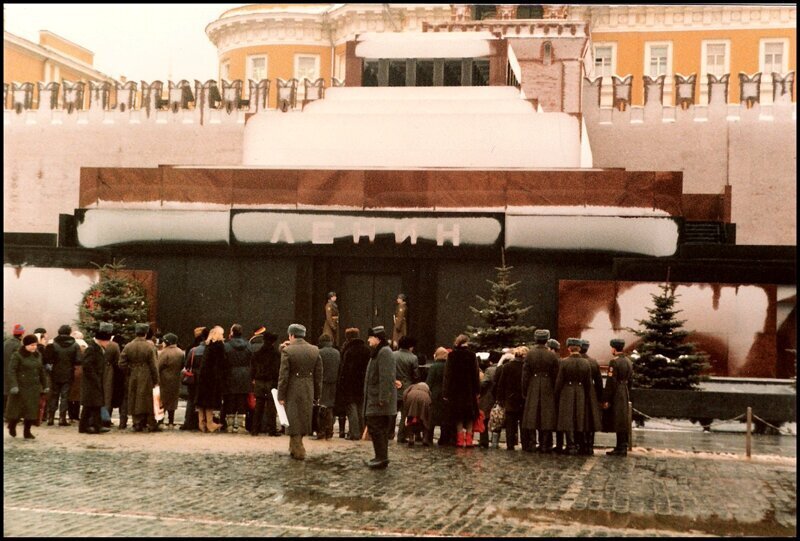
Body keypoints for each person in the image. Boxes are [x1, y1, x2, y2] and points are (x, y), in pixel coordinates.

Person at [277, 324, 323, 460]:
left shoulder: (288, 351)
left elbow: (283, 375)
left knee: (293, 419)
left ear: (291, 335)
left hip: (293, 389)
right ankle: (294, 447)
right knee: (303, 417)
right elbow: (319, 375)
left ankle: (298, 450)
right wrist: (317, 394)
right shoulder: (315, 350)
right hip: (308, 388)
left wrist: (281, 395)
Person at [363, 326, 396, 469]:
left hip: (379, 401)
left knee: (378, 429)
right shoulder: (379, 352)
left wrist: (383, 398)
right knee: (376, 429)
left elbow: (386, 377)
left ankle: (381, 457)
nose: (368, 340)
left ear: (377, 338)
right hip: (375, 399)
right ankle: (379, 456)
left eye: (370, 337)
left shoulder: (384, 352)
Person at [521, 329, 559, 453]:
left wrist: (525, 390)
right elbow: (556, 375)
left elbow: (525, 375)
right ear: (547, 340)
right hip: (548, 386)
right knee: (546, 416)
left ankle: (532, 443)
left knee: (532, 416)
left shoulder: (530, 354)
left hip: (533, 385)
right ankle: (545, 444)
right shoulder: (552, 355)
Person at [119, 323, 160, 433]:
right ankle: (150, 423)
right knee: (147, 399)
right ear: (145, 333)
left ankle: (136, 422)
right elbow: (154, 365)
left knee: (134, 397)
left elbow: (121, 363)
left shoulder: (128, 346)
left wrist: (129, 371)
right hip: (146, 374)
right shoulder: (150, 346)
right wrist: (156, 380)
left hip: (132, 374)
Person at [554, 338, 593, 455]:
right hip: (580, 392)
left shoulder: (564, 362)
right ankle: (579, 445)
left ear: (569, 348)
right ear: (579, 348)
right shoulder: (586, 363)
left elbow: (559, 381)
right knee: (579, 418)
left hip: (567, 392)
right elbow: (588, 382)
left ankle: (570, 445)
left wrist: (557, 394)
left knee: (568, 419)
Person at [6, 334, 48, 439]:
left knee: (31, 411)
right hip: (20, 387)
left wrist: (45, 384)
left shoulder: (37, 355)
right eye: (32, 345)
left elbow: (41, 371)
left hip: (33, 387)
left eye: (35, 345)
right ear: (25, 345)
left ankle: (27, 431)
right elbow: (12, 371)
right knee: (16, 410)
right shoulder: (17, 355)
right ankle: (12, 425)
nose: (34, 347)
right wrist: (14, 385)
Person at [443, 334, 480, 448]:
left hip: (455, 391)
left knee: (458, 416)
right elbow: (476, 374)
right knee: (469, 416)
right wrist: (477, 391)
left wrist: (446, 392)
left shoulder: (452, 355)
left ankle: (459, 440)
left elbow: (447, 375)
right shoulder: (472, 355)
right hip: (469, 391)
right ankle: (468, 440)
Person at [336, 328, 371, 440]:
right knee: (360, 408)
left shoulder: (348, 350)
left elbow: (345, 369)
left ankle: (354, 433)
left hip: (350, 384)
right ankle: (361, 431)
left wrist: (341, 384)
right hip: (362, 383)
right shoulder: (366, 350)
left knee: (351, 408)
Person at [43, 324, 80, 427]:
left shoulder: (53, 344)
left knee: (53, 395)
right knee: (65, 396)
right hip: (68, 373)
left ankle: (50, 418)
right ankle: (62, 418)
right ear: (69, 332)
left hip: (54, 373)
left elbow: (47, 359)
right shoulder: (75, 345)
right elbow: (78, 360)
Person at [79, 323, 113, 435]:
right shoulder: (92, 349)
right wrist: (95, 378)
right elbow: (87, 366)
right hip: (91, 381)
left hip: (96, 380)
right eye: (107, 341)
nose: (108, 343)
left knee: (95, 404)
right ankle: (85, 426)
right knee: (91, 405)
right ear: (102, 340)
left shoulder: (98, 348)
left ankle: (95, 426)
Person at [603, 338, 633, 457]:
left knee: (618, 420)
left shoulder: (614, 362)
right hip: (624, 390)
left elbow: (611, 382)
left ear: (614, 348)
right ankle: (622, 445)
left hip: (617, 392)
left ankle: (620, 447)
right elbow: (630, 380)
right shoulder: (628, 361)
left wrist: (606, 399)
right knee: (622, 419)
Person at [494, 346, 527, 451]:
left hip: (510, 398)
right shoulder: (526, 367)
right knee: (523, 423)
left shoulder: (507, 366)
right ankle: (525, 444)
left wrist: (500, 398)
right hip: (523, 398)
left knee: (510, 424)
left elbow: (501, 384)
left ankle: (510, 444)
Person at [250, 330, 280, 437]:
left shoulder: (257, 354)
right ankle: (271, 430)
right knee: (271, 407)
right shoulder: (276, 354)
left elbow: (252, 369)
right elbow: (277, 370)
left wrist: (253, 378)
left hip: (259, 381)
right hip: (271, 382)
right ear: (273, 342)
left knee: (259, 406)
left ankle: (255, 429)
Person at [223, 324, 252, 433]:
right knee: (242, 401)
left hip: (230, 375)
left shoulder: (226, 345)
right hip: (245, 375)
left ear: (232, 332)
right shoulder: (248, 345)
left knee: (230, 400)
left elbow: (223, 361)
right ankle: (241, 426)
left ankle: (229, 426)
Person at [195, 326, 224, 433]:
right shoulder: (219, 346)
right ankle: (210, 423)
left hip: (203, 376)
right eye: (222, 334)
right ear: (218, 334)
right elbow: (221, 362)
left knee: (202, 400)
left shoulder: (208, 345)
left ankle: (201, 423)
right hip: (213, 377)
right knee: (209, 401)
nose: (223, 336)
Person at [393, 335, 418, 443]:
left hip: (393, 387)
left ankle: (389, 434)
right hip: (407, 389)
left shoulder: (392, 355)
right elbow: (416, 375)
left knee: (392, 413)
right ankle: (401, 436)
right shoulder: (413, 358)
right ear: (410, 346)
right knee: (405, 414)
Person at [580, 339, 604, 455]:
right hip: (591, 393)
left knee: (579, 417)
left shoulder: (576, 360)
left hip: (579, 392)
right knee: (590, 419)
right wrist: (599, 398)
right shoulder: (593, 362)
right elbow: (599, 382)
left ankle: (580, 445)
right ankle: (589, 445)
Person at [157, 333, 184, 428]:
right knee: (173, 401)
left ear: (168, 342)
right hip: (176, 379)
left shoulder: (164, 353)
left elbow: (158, 366)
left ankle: (160, 421)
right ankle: (171, 422)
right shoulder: (180, 352)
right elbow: (182, 366)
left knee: (162, 401)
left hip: (164, 379)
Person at [316, 333, 340, 440]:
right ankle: (329, 431)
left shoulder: (319, 353)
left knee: (322, 407)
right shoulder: (337, 353)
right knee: (330, 407)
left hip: (322, 382)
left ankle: (321, 431)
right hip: (333, 383)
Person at [426, 346, 451, 446]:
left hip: (435, 395)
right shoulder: (449, 366)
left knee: (432, 418)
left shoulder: (434, 367)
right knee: (444, 419)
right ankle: (443, 439)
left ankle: (429, 438)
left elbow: (429, 382)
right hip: (446, 395)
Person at [477, 350, 501, 448]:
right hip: (499, 398)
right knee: (497, 420)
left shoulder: (490, 370)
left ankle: (484, 441)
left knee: (484, 419)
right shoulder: (502, 368)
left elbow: (484, 383)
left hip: (488, 397)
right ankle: (495, 442)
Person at [102, 334, 125, 429]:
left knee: (105, 397)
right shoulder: (115, 346)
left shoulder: (99, 344)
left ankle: (105, 419)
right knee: (111, 397)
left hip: (103, 372)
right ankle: (121, 422)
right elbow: (118, 360)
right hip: (114, 373)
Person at [4, 324, 25, 419]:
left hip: (5, 370)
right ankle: (10, 415)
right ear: (21, 334)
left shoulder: (6, 342)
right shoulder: (18, 345)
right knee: (12, 395)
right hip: (13, 372)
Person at [402, 377, 432, 446]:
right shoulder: (427, 389)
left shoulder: (413, 386)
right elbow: (430, 400)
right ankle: (425, 438)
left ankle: (411, 438)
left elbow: (404, 393)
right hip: (425, 399)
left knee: (410, 419)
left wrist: (406, 405)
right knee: (425, 419)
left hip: (411, 396)